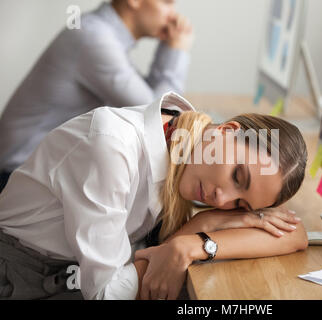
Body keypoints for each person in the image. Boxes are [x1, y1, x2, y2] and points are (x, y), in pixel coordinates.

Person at [0, 92, 308, 300]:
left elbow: (295, 235)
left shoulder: (180, 138)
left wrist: (192, 242)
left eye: (240, 206)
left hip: (73, 272)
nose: (221, 198)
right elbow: (106, 294)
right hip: (19, 279)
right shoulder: (113, 148)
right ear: (226, 131)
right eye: (237, 176)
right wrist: (193, 235)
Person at [0, 0, 194, 192]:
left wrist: (169, 48)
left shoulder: (99, 33)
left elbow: (151, 107)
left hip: (30, 174)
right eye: (167, 2)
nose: (173, 14)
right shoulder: (93, 38)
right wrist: (175, 49)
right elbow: (156, 116)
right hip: (14, 180)